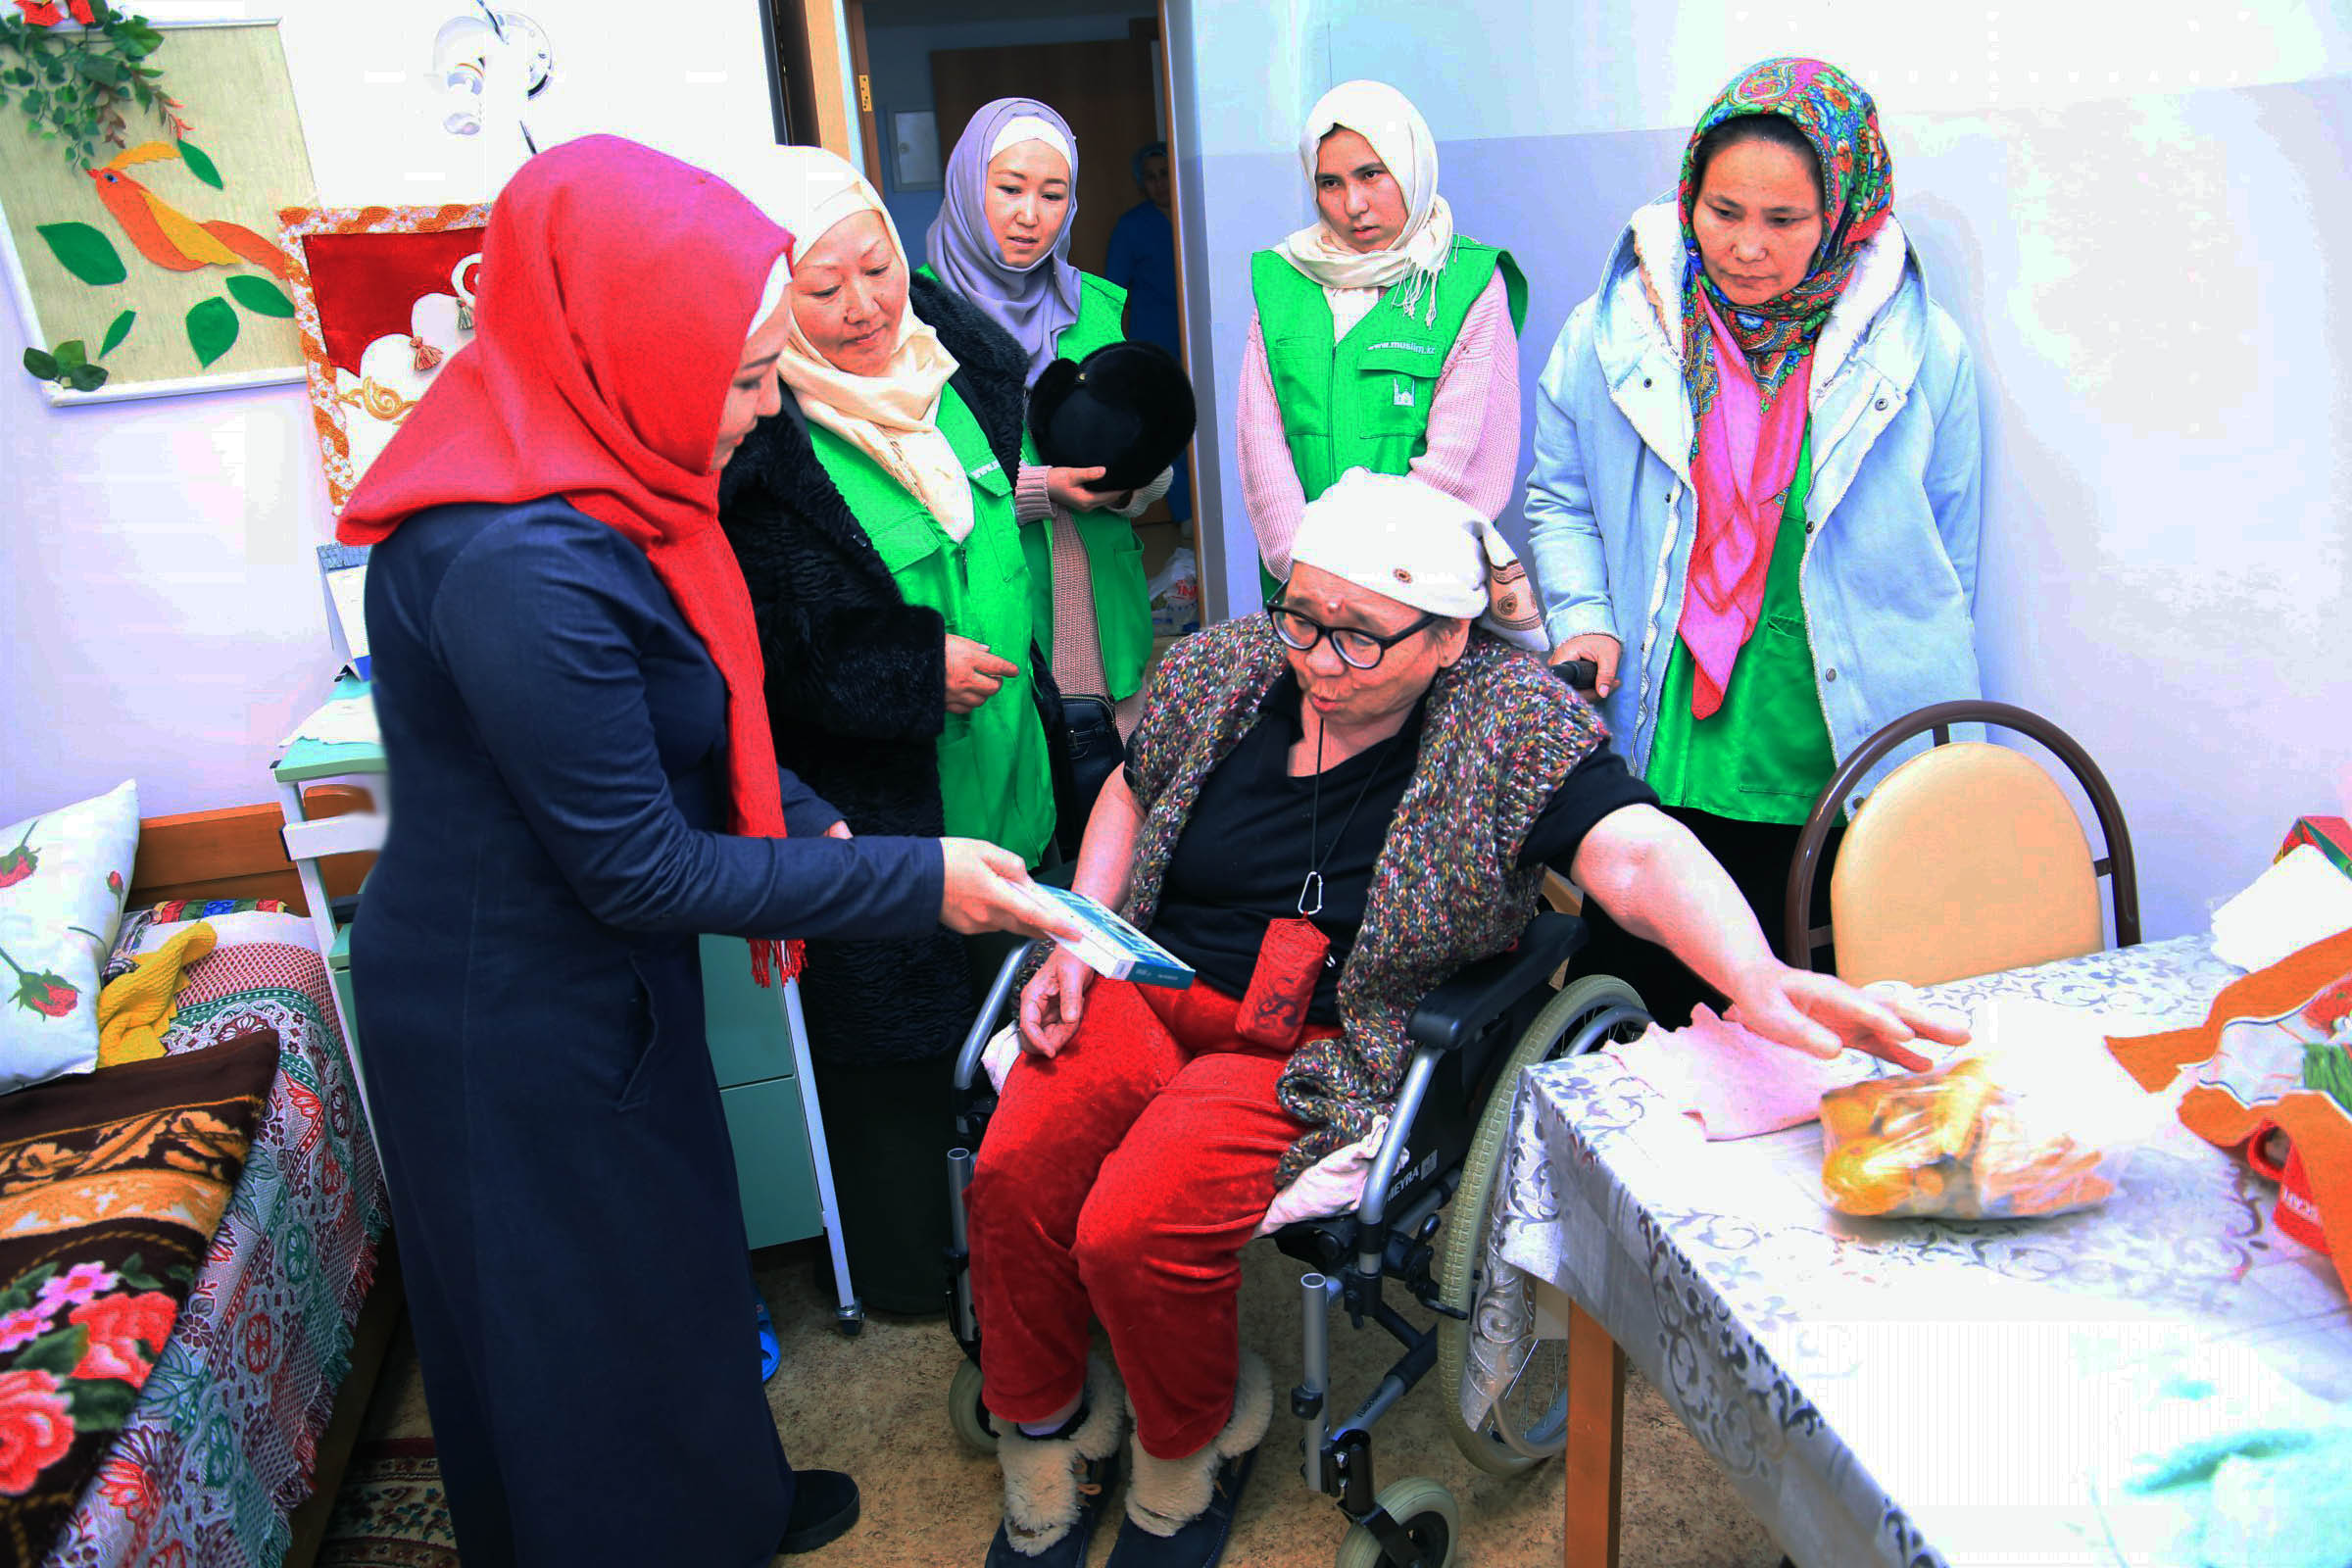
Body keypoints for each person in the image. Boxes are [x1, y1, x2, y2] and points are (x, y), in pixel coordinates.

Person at [963, 469, 1962, 1568]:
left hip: (1322, 1041)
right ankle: (1046, 1420)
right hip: (1151, 979)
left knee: (1136, 1229)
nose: (1317, 658)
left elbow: (1632, 851)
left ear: (1448, 638)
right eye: (1302, 614)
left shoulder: (1507, 720)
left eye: (1360, 637)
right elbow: (1131, 786)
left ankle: (1193, 1438)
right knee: (1015, 1170)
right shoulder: (1226, 666)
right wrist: (1082, 934)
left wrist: (1757, 976)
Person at [340, 136, 1071, 1566]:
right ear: (625, 347)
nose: (765, 410)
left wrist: (802, 814)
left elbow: (698, 706)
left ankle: (723, 1499)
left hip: (608, 977)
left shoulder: (615, 485)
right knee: (577, 1325)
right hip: (514, 1011)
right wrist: (915, 876)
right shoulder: (516, 561)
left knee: (676, 1266)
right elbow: (643, 864)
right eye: (744, 380)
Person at [1524, 57, 1984, 1028]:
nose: (1745, 247)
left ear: (1845, 212)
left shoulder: (1918, 351)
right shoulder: (1617, 336)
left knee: (1825, 1036)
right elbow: (1559, 497)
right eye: (1723, 211)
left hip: (1837, 739)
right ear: (1687, 195)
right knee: (1650, 1027)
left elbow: (1950, 555)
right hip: (1670, 730)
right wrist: (1585, 616)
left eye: (1784, 220)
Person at [714, 145, 1060, 1316]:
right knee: (902, 1055)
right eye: (823, 288)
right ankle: (918, 1275)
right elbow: (763, 649)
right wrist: (914, 669)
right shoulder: (757, 438)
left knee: (1023, 1020)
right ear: (774, 298)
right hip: (883, 799)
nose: (864, 306)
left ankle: (1026, 1243)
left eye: (878, 268)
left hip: (1008, 763)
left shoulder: (962, 366)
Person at [925, 98, 1173, 828]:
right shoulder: (917, 315)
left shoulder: (1097, 309)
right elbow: (921, 477)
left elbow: (1148, 453)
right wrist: (1043, 489)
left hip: (1099, 597)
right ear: (968, 185)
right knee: (1015, 811)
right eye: (1009, 188)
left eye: (1052, 194)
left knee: (1116, 801)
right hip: (993, 603)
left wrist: (1130, 485)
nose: (1029, 215)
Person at [1239, 79, 1528, 594]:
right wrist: (1302, 567)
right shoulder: (1283, 280)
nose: (1353, 204)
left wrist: (1378, 577)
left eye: (1372, 174)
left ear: (1411, 168)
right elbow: (1261, 444)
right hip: (1303, 585)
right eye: (1330, 183)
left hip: (1427, 581)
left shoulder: (1469, 283)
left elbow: (1464, 463)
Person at [1102, 139, 1192, 527]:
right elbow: (1112, 292)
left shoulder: (1197, 215)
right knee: (1169, 429)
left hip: (1199, 339)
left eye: (1165, 174)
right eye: (1151, 177)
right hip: (1155, 341)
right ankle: (1187, 519)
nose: (1159, 184)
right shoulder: (1132, 227)